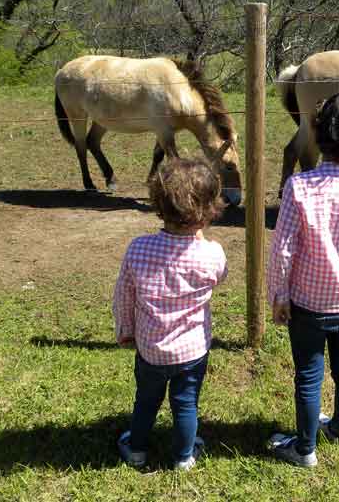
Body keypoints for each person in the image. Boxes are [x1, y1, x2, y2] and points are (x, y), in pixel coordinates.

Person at [266, 90, 339, 467]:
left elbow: (282, 250)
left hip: (307, 304)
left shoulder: (298, 188)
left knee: (308, 375)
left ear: (319, 133)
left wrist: (278, 296)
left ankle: (304, 449)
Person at [113, 157, 227, 470]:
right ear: (209, 210)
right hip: (192, 350)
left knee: (146, 401)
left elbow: (124, 294)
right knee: (186, 403)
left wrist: (125, 329)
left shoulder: (138, 249)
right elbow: (221, 276)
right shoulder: (212, 255)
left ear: (158, 204)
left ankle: (136, 450)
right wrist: (200, 238)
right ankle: (184, 457)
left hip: (150, 349)